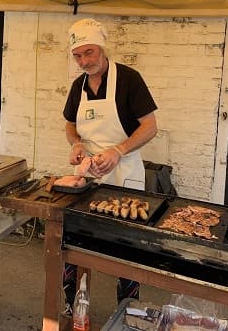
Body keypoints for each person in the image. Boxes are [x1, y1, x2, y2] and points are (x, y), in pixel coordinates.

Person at [62, 18, 158, 313]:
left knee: (126, 247)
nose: (83, 61)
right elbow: (69, 124)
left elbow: (150, 127)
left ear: (102, 48)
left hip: (123, 171)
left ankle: (128, 308)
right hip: (89, 175)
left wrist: (118, 150)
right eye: (78, 55)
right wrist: (77, 144)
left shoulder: (129, 79)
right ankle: (72, 306)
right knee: (75, 241)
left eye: (89, 53)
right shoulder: (79, 85)